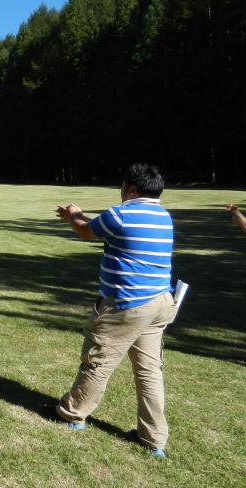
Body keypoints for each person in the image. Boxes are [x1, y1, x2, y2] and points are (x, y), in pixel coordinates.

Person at [54, 163, 176, 458]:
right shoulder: (164, 216)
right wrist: (79, 218)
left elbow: (86, 232)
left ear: (131, 189)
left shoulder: (121, 213)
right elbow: (106, 230)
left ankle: (73, 413)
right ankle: (154, 439)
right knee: (149, 372)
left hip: (127, 304)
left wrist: (74, 215)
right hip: (160, 303)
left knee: (98, 361)